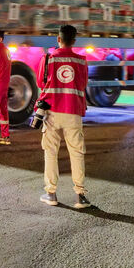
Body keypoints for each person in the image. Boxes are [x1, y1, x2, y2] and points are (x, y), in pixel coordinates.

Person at [37, 24, 91, 209]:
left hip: (52, 112)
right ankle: (80, 196)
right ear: (74, 41)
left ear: (58, 39)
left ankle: (51, 193)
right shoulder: (82, 61)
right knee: (76, 153)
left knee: (51, 152)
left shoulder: (48, 59)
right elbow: (82, 84)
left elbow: (40, 83)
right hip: (73, 113)